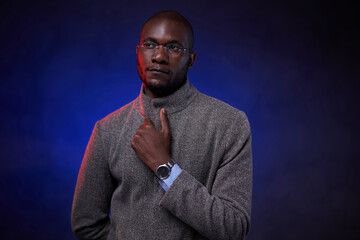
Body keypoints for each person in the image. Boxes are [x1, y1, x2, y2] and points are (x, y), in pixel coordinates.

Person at [71, 10, 252, 240]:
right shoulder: (107, 129)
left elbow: (233, 227)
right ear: (138, 53)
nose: (158, 56)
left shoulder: (229, 124)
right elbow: (86, 224)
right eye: (149, 44)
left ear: (191, 60)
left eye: (174, 47)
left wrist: (164, 167)